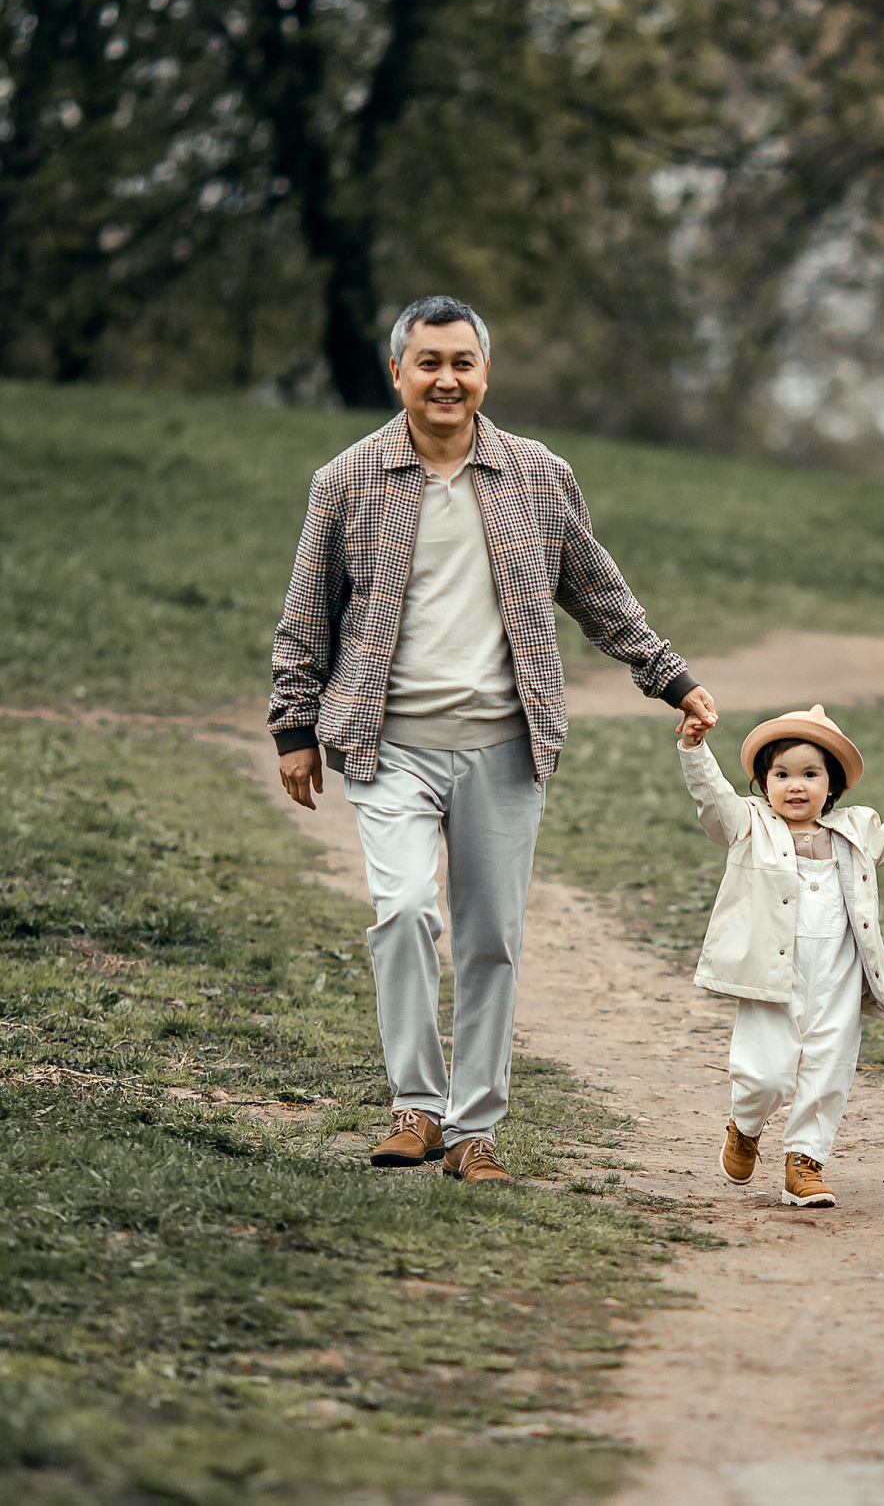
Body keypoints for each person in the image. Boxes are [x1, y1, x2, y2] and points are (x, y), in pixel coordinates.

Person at [267, 295, 718, 1183]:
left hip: (506, 749)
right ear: (397, 373)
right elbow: (307, 612)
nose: (447, 379)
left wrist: (669, 676)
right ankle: (415, 1107)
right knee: (403, 911)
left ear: (485, 372)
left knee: (490, 940)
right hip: (387, 744)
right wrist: (294, 725)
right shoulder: (346, 480)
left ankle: (474, 1131)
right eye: (428, 363)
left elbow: (597, 590)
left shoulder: (537, 475)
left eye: (462, 363)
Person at [675, 704, 884, 1207]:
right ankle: (745, 1125)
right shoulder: (748, 824)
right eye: (781, 775)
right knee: (765, 1073)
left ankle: (804, 1164)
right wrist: (695, 749)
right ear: (763, 784)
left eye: (810, 774)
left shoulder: (856, 829)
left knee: (828, 1070)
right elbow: (712, 797)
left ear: (833, 786)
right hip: (771, 977)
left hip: (837, 978)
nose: (795, 786)